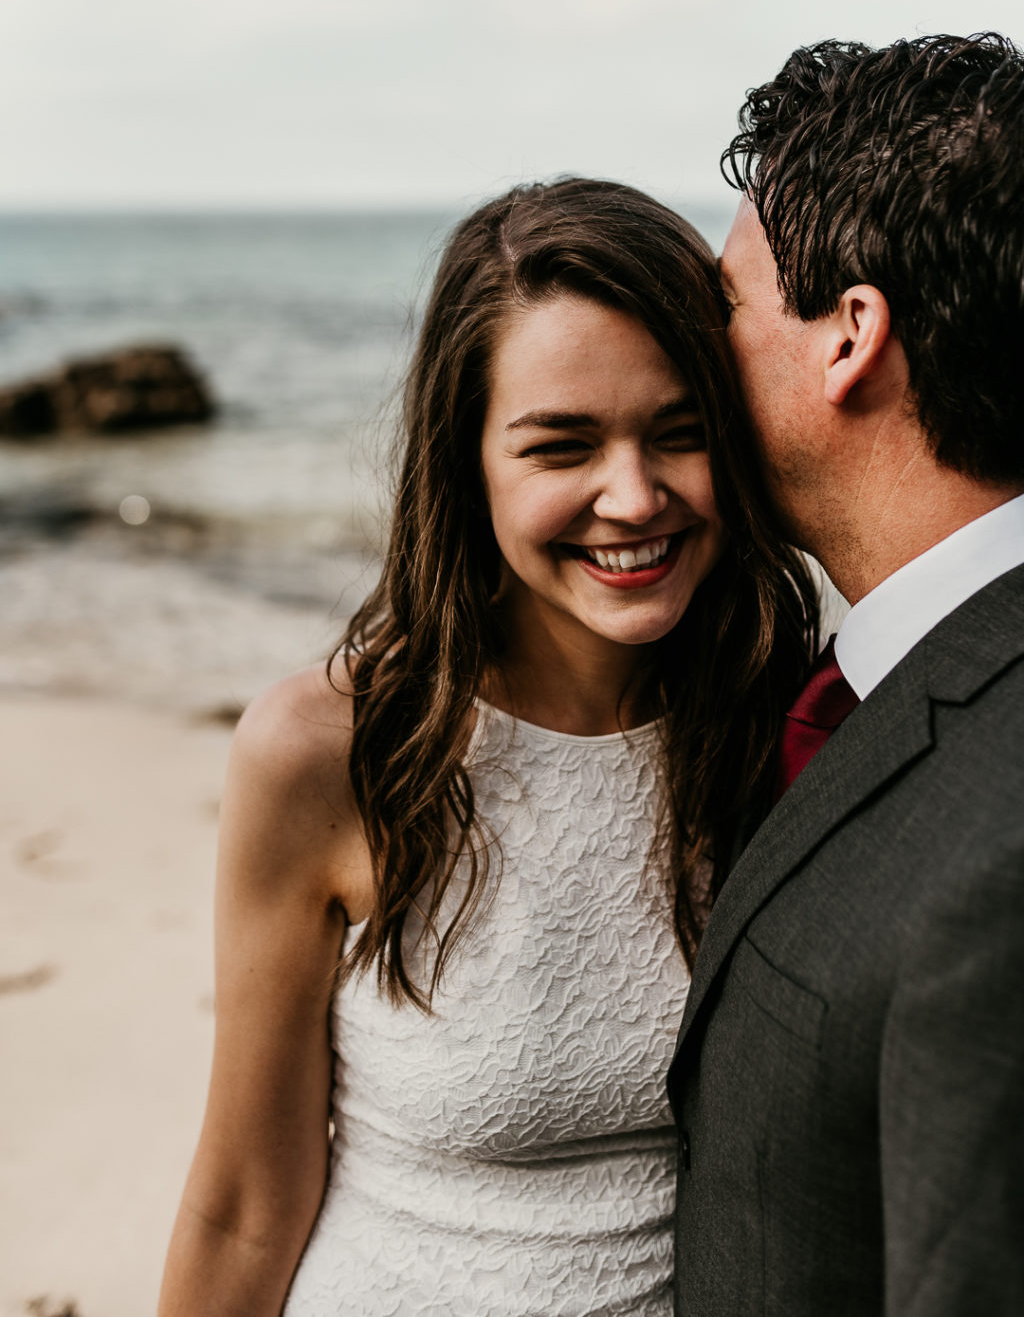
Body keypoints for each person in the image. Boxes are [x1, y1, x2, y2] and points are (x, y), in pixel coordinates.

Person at [158, 177, 816, 1316]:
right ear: (465, 467)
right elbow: (245, 1200)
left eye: (680, 431)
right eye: (561, 445)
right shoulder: (329, 753)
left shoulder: (791, 725)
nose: (633, 495)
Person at [669, 33, 1024, 1315]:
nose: (692, 357)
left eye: (723, 307)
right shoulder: (866, 684)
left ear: (848, 338)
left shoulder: (1002, 841)